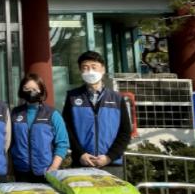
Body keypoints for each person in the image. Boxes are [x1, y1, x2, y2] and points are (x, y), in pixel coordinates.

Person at [62, 50, 131, 178]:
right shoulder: (72, 97)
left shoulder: (117, 98)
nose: (90, 71)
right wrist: (80, 154)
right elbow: (66, 130)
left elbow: (125, 132)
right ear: (80, 71)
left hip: (112, 164)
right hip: (82, 163)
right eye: (85, 68)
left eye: (94, 67)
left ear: (103, 69)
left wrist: (109, 157)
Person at [10, 73, 69, 183]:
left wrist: (54, 167)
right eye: (26, 89)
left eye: (34, 89)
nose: (30, 92)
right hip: (20, 172)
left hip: (46, 172)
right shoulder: (15, 113)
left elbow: (62, 143)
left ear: (41, 90)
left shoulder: (52, 114)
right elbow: (10, 142)